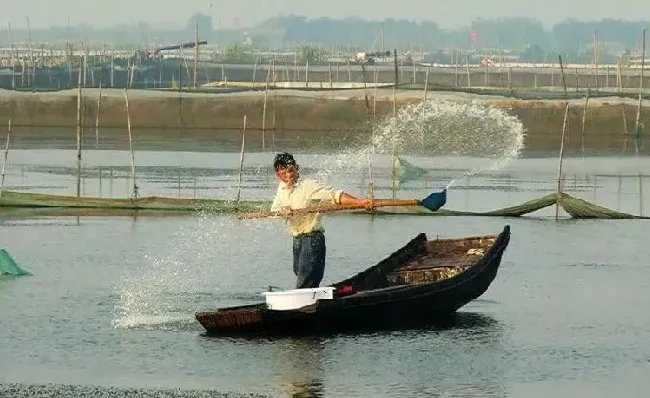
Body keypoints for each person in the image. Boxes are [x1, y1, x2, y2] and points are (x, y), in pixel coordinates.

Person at [271, 152, 373, 289]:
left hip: (312, 239)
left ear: (296, 168)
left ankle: (302, 306)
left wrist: (360, 202)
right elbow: (274, 210)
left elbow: (337, 196)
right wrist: (283, 211)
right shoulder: (281, 189)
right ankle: (310, 301)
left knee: (306, 277)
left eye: (291, 171)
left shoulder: (309, 186)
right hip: (297, 240)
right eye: (284, 173)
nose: (288, 176)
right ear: (278, 175)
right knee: (299, 272)